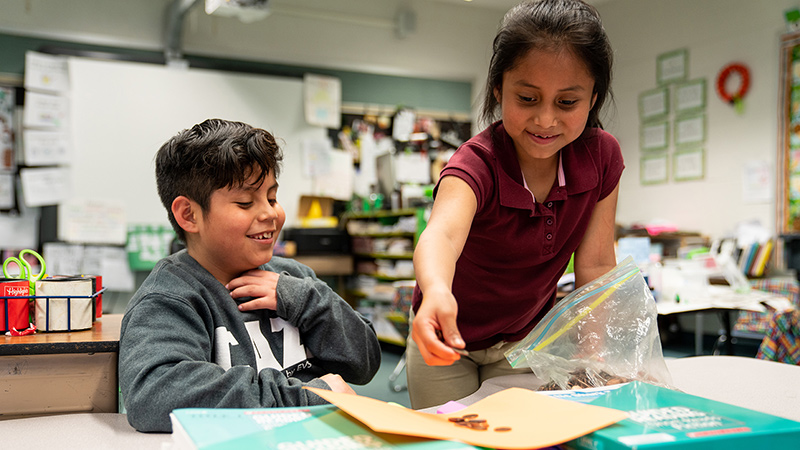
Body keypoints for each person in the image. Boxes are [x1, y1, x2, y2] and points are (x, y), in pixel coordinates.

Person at [408, 0, 623, 409]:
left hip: (524, 341)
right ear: (498, 90)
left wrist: (596, 357)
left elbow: (595, 265)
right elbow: (441, 236)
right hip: (444, 339)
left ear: (593, 98)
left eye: (566, 103)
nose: (545, 120)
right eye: (526, 98)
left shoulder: (602, 158)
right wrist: (435, 291)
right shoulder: (476, 163)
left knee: (521, 435)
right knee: (447, 440)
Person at [119, 119, 381, 432]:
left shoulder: (294, 278)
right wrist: (305, 398)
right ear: (189, 215)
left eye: (272, 197)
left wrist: (307, 300)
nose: (270, 213)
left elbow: (364, 362)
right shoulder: (170, 297)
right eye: (245, 202)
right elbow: (155, 395)